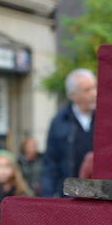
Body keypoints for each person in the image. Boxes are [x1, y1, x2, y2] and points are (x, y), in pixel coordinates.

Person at [40, 67, 97, 196]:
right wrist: (48, 197)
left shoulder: (105, 118)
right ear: (73, 95)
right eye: (88, 90)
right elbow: (50, 163)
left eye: (95, 87)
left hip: (99, 194)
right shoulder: (59, 122)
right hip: (69, 195)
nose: (94, 93)